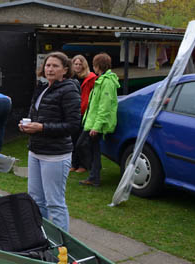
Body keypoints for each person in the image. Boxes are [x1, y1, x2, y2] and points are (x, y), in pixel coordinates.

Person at [19, 52, 80, 232]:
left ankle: (63, 246)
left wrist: (42, 127)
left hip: (55, 155)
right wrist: (26, 125)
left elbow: (73, 125)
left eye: (55, 66)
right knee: (36, 200)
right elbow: (35, 115)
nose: (50, 69)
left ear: (65, 70)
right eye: (47, 65)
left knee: (55, 203)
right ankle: (42, 237)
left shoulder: (69, 90)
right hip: (36, 151)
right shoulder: (43, 87)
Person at [79, 53, 120, 187]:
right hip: (92, 121)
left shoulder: (107, 82)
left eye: (94, 64)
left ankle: (94, 175)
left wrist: (96, 126)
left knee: (85, 146)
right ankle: (94, 175)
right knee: (92, 148)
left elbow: (104, 106)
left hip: (96, 123)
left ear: (98, 66)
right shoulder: (101, 79)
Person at [70, 55, 97, 173]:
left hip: (85, 112)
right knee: (73, 139)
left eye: (80, 64)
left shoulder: (91, 78)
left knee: (83, 142)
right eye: (75, 64)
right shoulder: (69, 78)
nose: (77, 66)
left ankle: (83, 165)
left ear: (84, 65)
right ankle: (73, 163)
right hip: (73, 111)